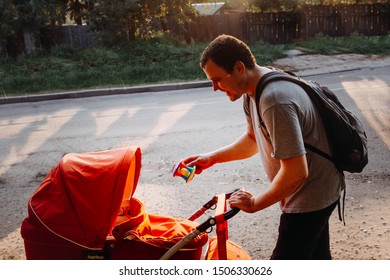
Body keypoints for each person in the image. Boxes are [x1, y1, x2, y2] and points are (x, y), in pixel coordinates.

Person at [182, 34, 345, 260]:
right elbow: (252, 140)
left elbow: (297, 172)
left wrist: (255, 203)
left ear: (239, 68)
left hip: (311, 195)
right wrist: (211, 158)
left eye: (217, 79)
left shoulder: (274, 100)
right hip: (315, 188)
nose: (215, 88)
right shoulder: (252, 91)